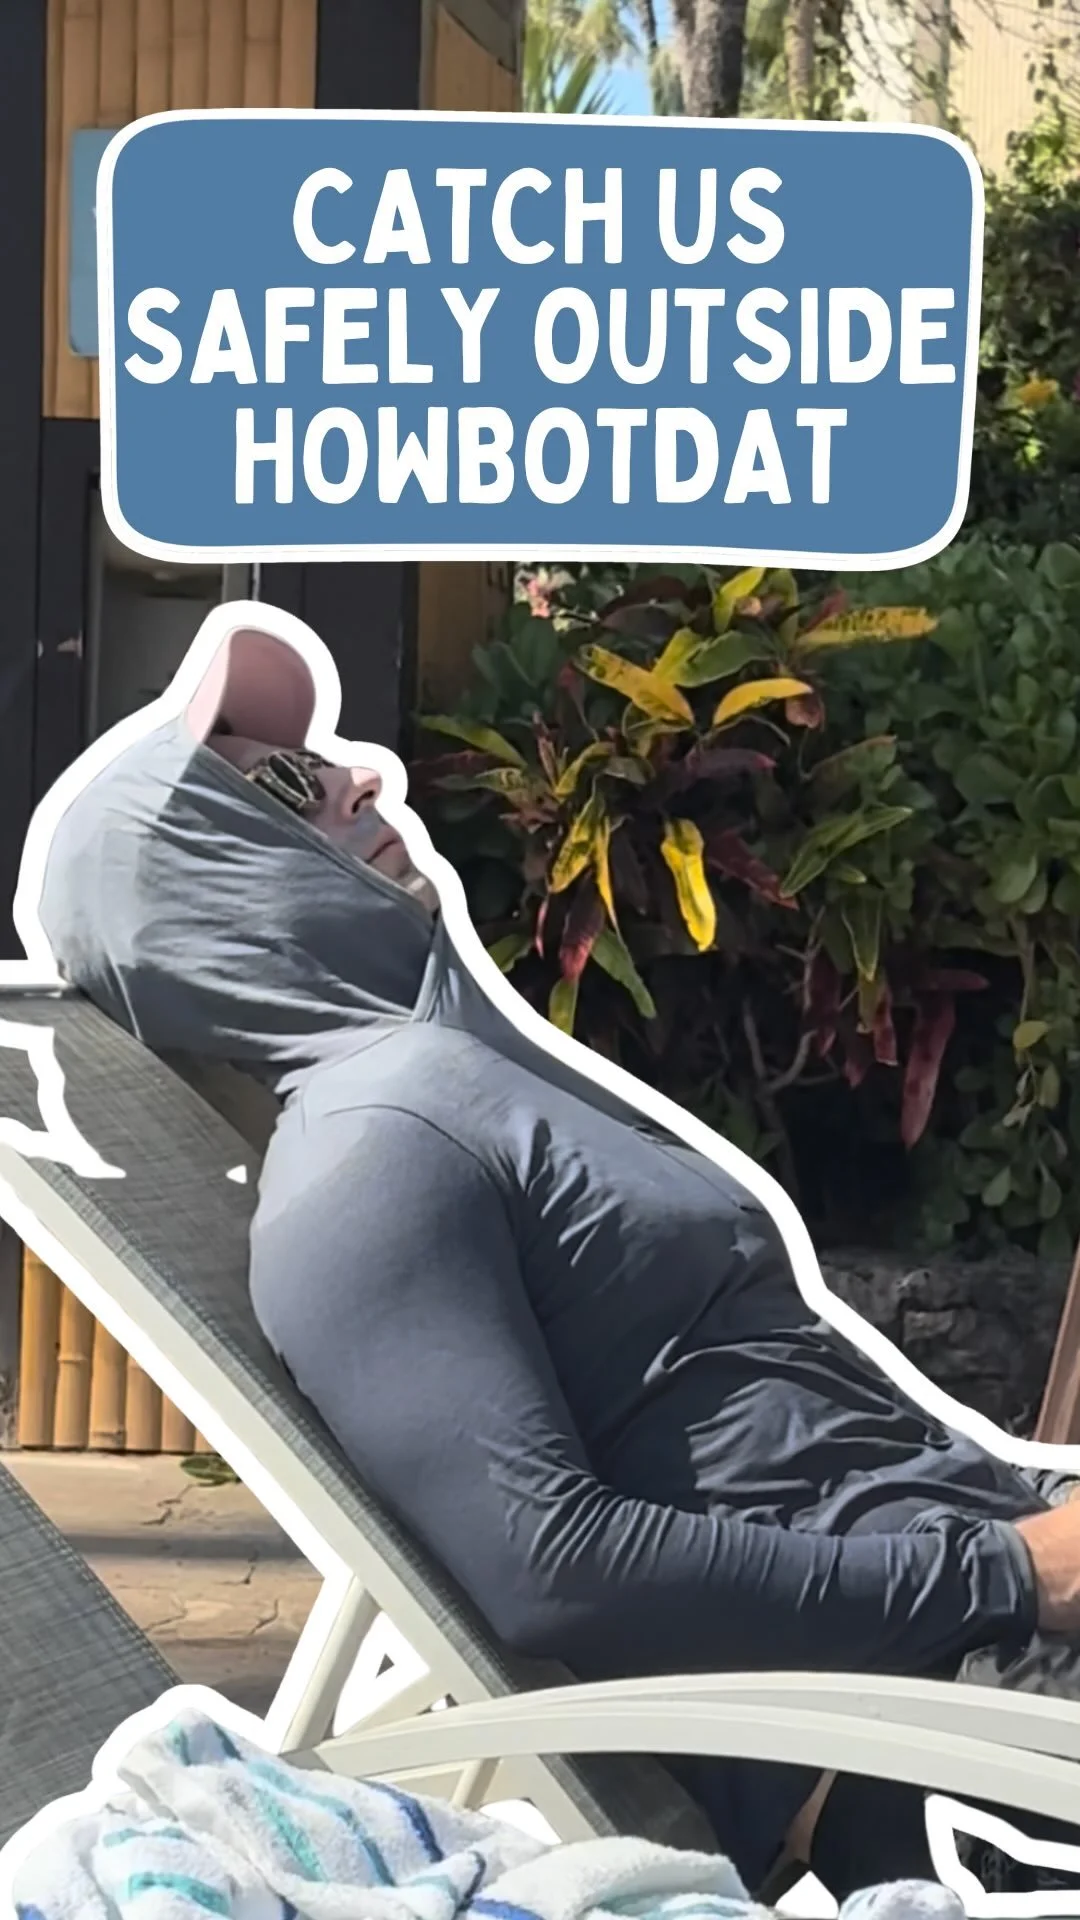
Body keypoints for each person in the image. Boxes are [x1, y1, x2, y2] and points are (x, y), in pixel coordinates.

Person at [33, 620, 1080, 1904]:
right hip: (946, 1718)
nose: (360, 776)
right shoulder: (365, 1162)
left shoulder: (431, 1089)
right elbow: (550, 1566)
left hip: (987, 1607)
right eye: (289, 780)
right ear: (200, 875)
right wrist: (1020, 1571)